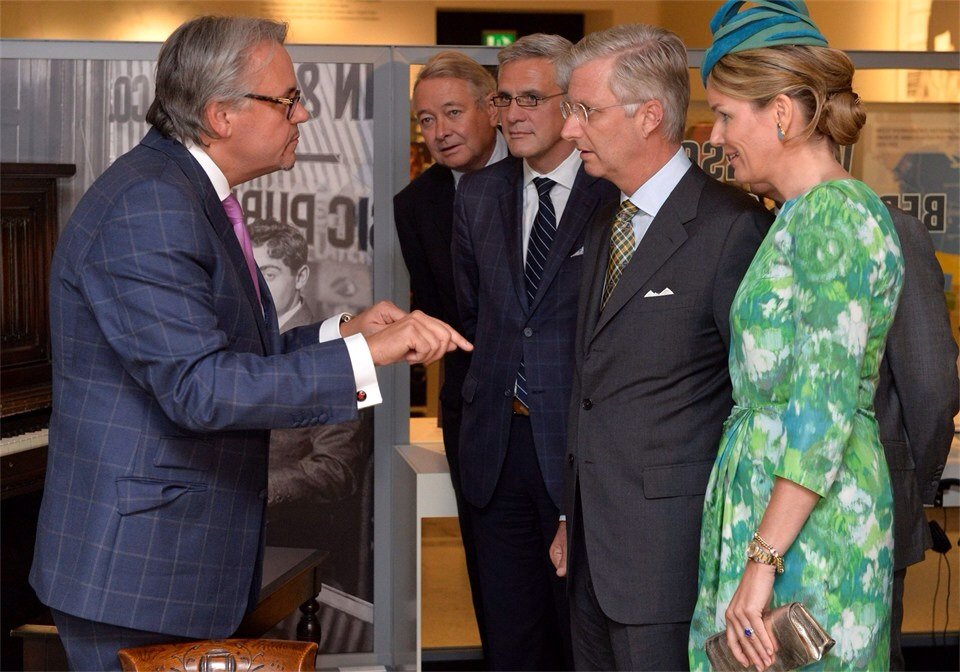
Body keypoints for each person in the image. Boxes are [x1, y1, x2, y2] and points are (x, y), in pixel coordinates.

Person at [29, 16, 469, 671]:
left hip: (168, 563)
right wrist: (365, 356)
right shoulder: (152, 205)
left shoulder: (183, 192)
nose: (305, 113)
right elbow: (200, 389)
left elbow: (234, 356)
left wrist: (343, 332)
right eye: (288, 100)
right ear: (221, 115)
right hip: (140, 575)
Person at [546, 24, 772, 670]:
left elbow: (758, 404)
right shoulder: (606, 217)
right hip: (591, 553)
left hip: (673, 558)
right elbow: (594, 385)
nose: (569, 129)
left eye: (586, 111)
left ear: (649, 116)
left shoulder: (733, 228)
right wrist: (571, 516)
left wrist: (755, 557)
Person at [688, 1, 905, 670]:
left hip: (807, 534)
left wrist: (762, 561)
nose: (715, 136)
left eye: (726, 115)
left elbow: (822, 408)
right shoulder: (798, 214)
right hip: (778, 517)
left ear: (780, 112)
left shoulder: (833, 215)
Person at [452, 34, 617, 670]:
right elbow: (477, 316)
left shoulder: (612, 194)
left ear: (571, 104)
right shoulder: (477, 194)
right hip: (497, 448)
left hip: (579, 448)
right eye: (504, 99)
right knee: (511, 639)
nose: (512, 114)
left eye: (531, 98)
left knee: (583, 639)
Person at [750, 181, 960, 670]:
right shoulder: (752, 229)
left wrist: (900, 485)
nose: (717, 144)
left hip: (860, 521)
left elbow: (931, 385)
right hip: (754, 516)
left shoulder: (890, 229)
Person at [393, 49, 507, 654]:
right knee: (493, 578)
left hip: (564, 415)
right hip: (475, 412)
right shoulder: (416, 205)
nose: (439, 131)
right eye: (426, 119)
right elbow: (439, 310)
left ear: (492, 108)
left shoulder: (554, 179)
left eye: (453, 112)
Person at [250, 219, 373, 599]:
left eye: (269, 273)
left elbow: (337, 469)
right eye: (248, 274)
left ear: (300, 277)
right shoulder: (234, 338)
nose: (256, 287)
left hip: (291, 537)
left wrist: (256, 488)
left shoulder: (339, 352)